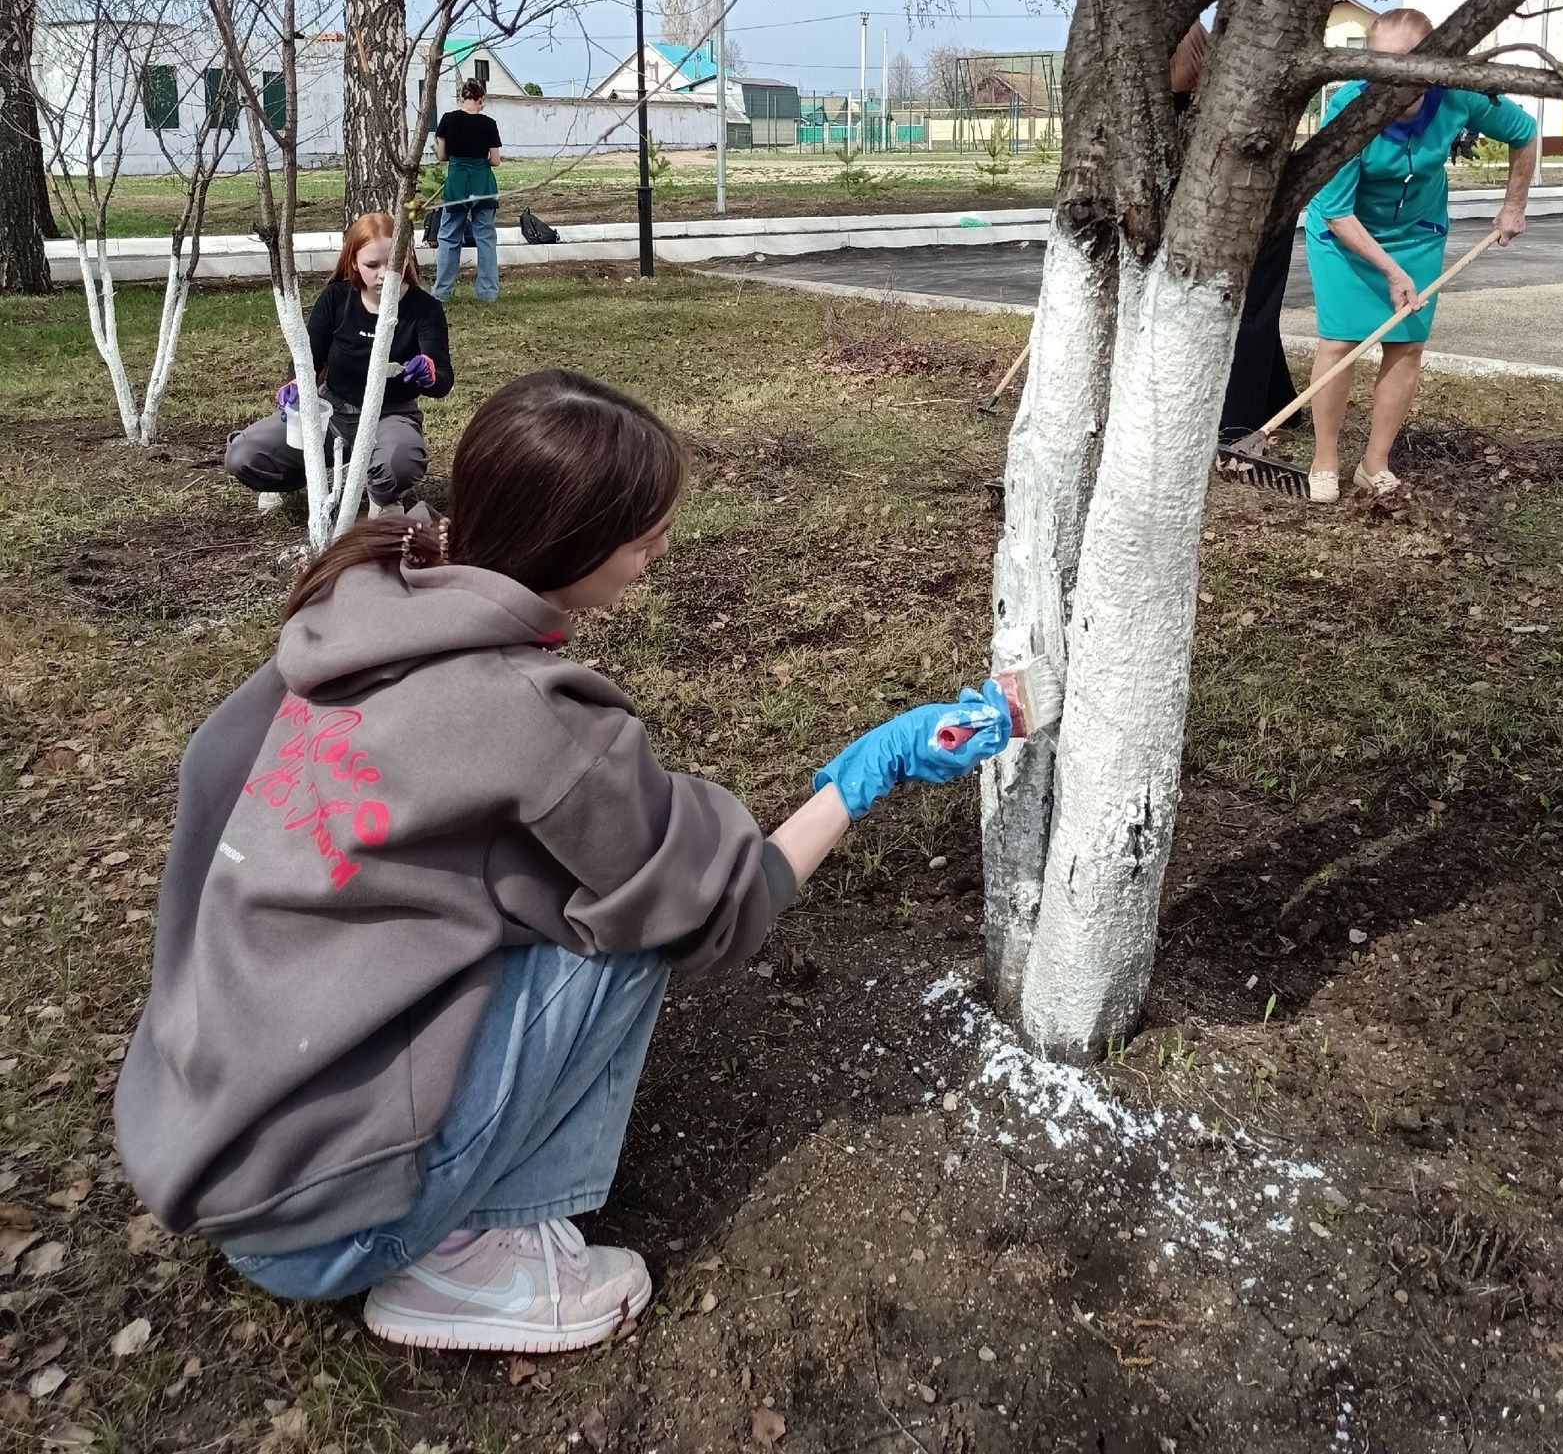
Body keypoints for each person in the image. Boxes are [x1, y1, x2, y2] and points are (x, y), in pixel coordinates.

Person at [117, 371, 1011, 1354]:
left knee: (573, 897)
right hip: (321, 1227)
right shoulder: (536, 720)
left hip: (211, 1135)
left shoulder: (367, 599)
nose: (660, 554)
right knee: (630, 927)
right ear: (571, 544)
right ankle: (478, 1265)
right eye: (643, 539)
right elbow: (719, 907)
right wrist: (867, 772)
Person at [1305, 7, 1536, 501]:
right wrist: (1390, 271)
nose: (1393, 76)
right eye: (1381, 64)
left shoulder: (1459, 94)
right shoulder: (1349, 110)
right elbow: (1336, 211)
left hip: (1418, 233)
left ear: (1433, 60)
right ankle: (1324, 458)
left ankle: (1374, 463)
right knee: (1341, 343)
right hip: (1345, 235)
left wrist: (1514, 204)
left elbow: (1524, 131)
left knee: (1406, 345)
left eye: (1407, 63)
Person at [225, 213, 453, 520]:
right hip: (330, 413)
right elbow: (309, 357)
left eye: (393, 264)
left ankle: (383, 494)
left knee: (400, 461)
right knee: (244, 456)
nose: (384, 274)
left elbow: (443, 381)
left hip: (391, 415)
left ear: (407, 259)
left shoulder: (424, 309)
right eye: (373, 265)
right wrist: (294, 382)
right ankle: (299, 481)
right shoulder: (336, 298)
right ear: (353, 262)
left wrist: (428, 372)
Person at [1169, 19, 1298, 441]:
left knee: (1249, 307)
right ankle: (1279, 402)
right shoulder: (1167, 105)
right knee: (1254, 308)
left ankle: (1236, 424)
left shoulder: (1219, 107)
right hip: (1223, 211)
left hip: (1259, 207)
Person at [433, 76, 502, 302]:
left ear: (462, 97)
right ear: (480, 98)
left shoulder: (448, 120)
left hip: (456, 181)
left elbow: (442, 156)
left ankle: (442, 292)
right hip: (483, 182)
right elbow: (495, 160)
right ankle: (488, 292)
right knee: (485, 238)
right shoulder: (489, 123)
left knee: (449, 237)